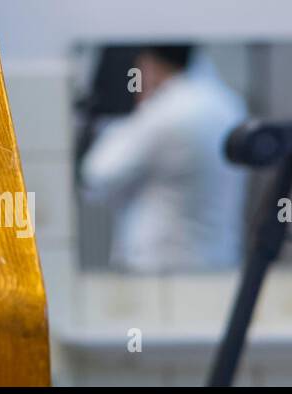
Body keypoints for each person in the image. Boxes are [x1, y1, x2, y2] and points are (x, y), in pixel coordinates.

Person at [79, 44, 250, 273]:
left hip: (163, 270)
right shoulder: (228, 103)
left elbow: (96, 175)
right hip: (220, 264)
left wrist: (135, 110)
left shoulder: (167, 111)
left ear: (148, 62)